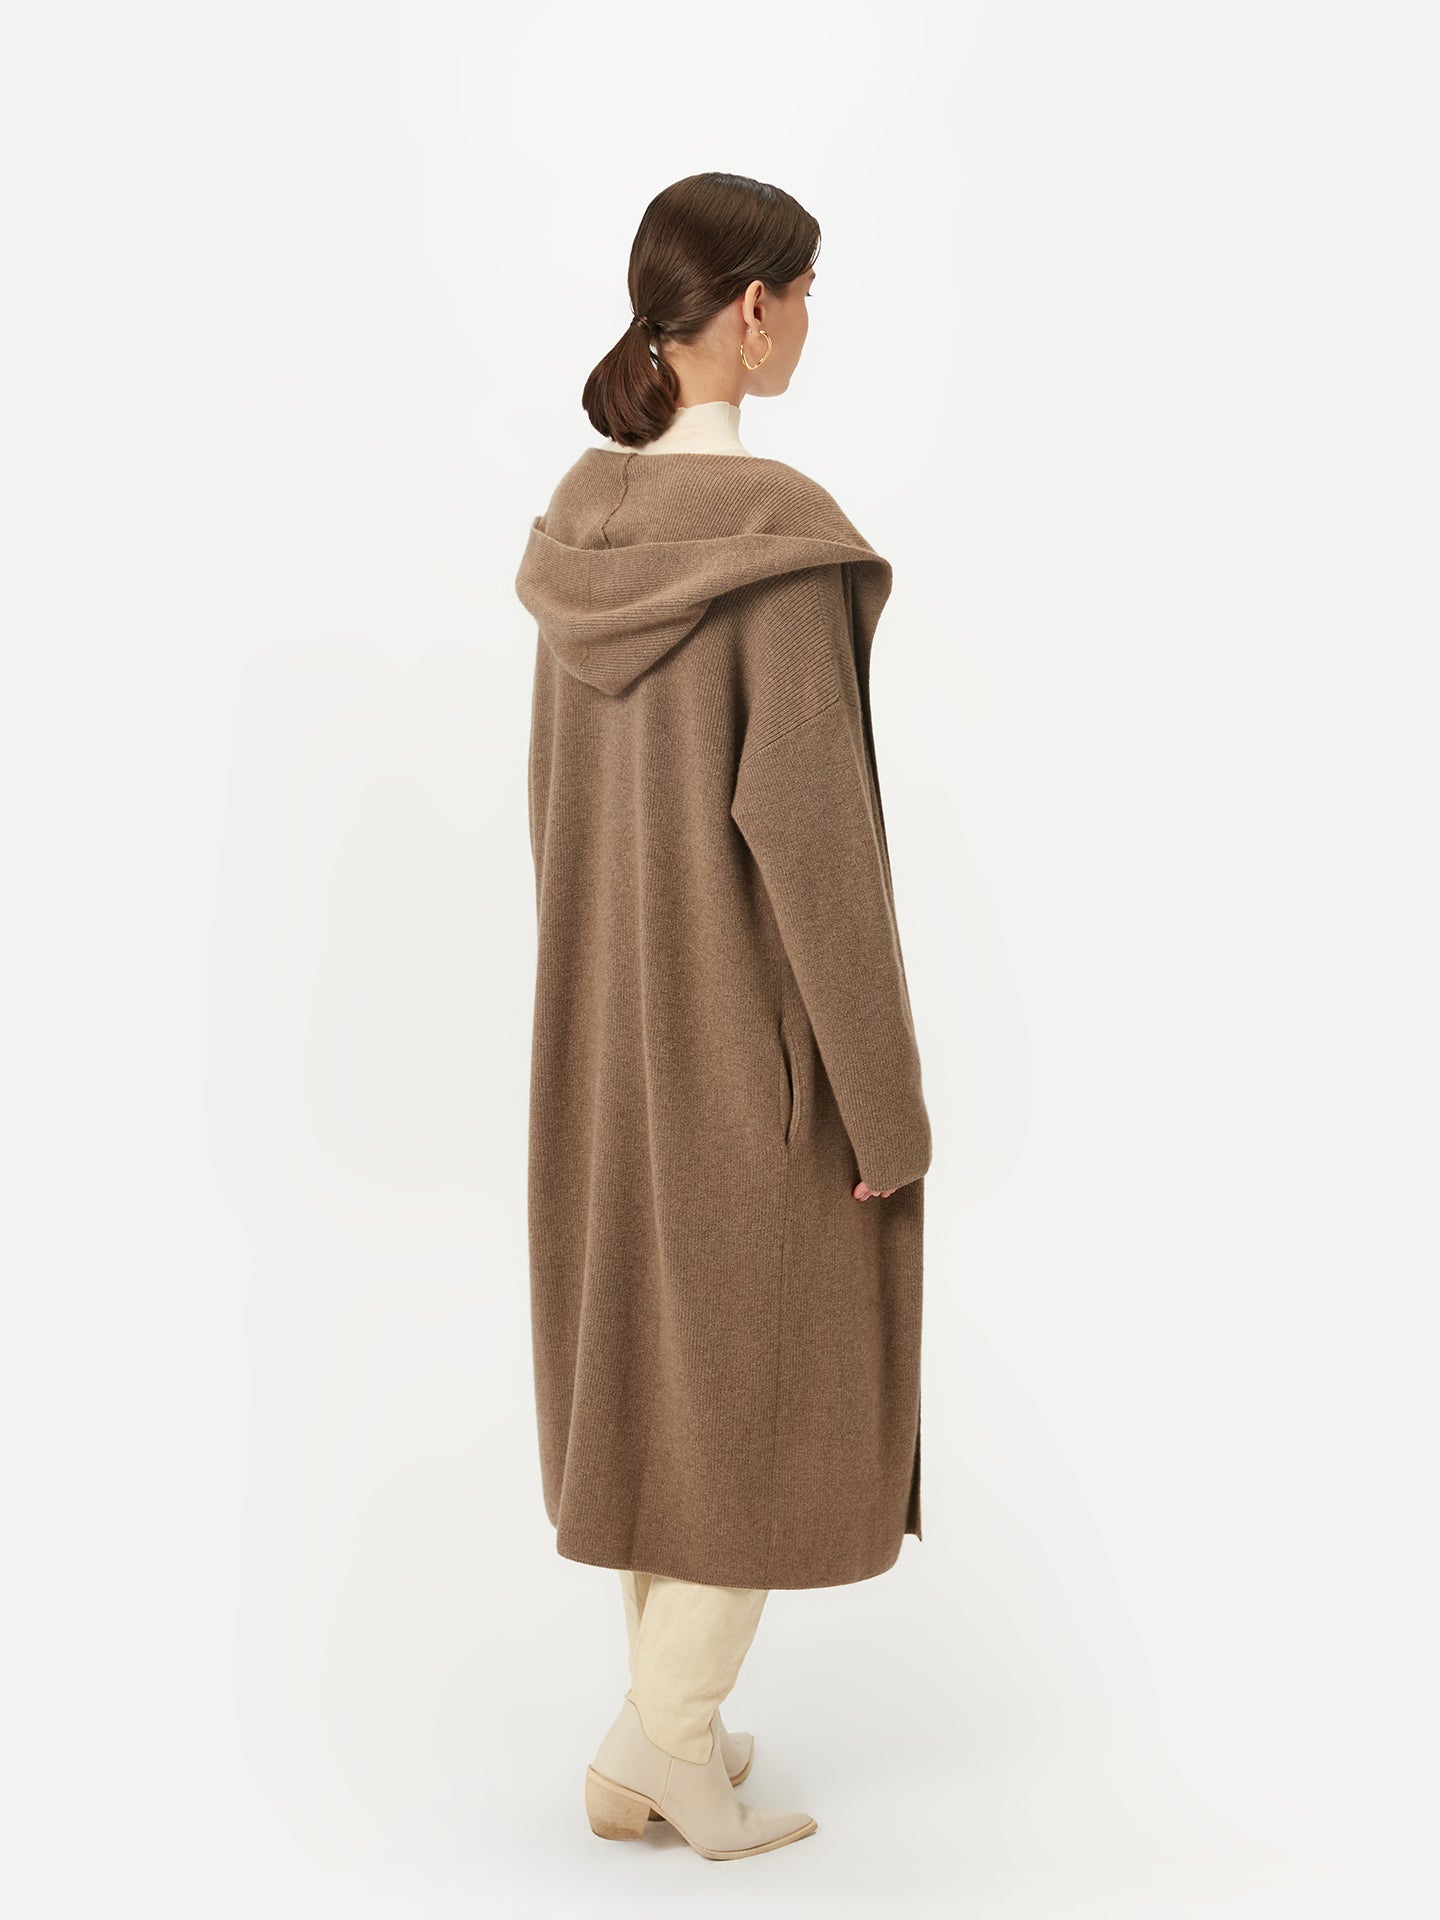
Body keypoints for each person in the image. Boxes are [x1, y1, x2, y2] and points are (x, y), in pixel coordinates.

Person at [513, 171, 932, 1863]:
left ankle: (658, 1735)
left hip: (605, 1038)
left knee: (660, 1380)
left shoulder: (581, 532)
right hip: (754, 1056)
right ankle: (664, 1742)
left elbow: (550, 809)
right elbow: (820, 856)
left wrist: (604, 991)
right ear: (751, 311)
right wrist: (884, 1107)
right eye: (806, 291)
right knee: (759, 1385)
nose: (812, 320)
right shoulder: (775, 544)